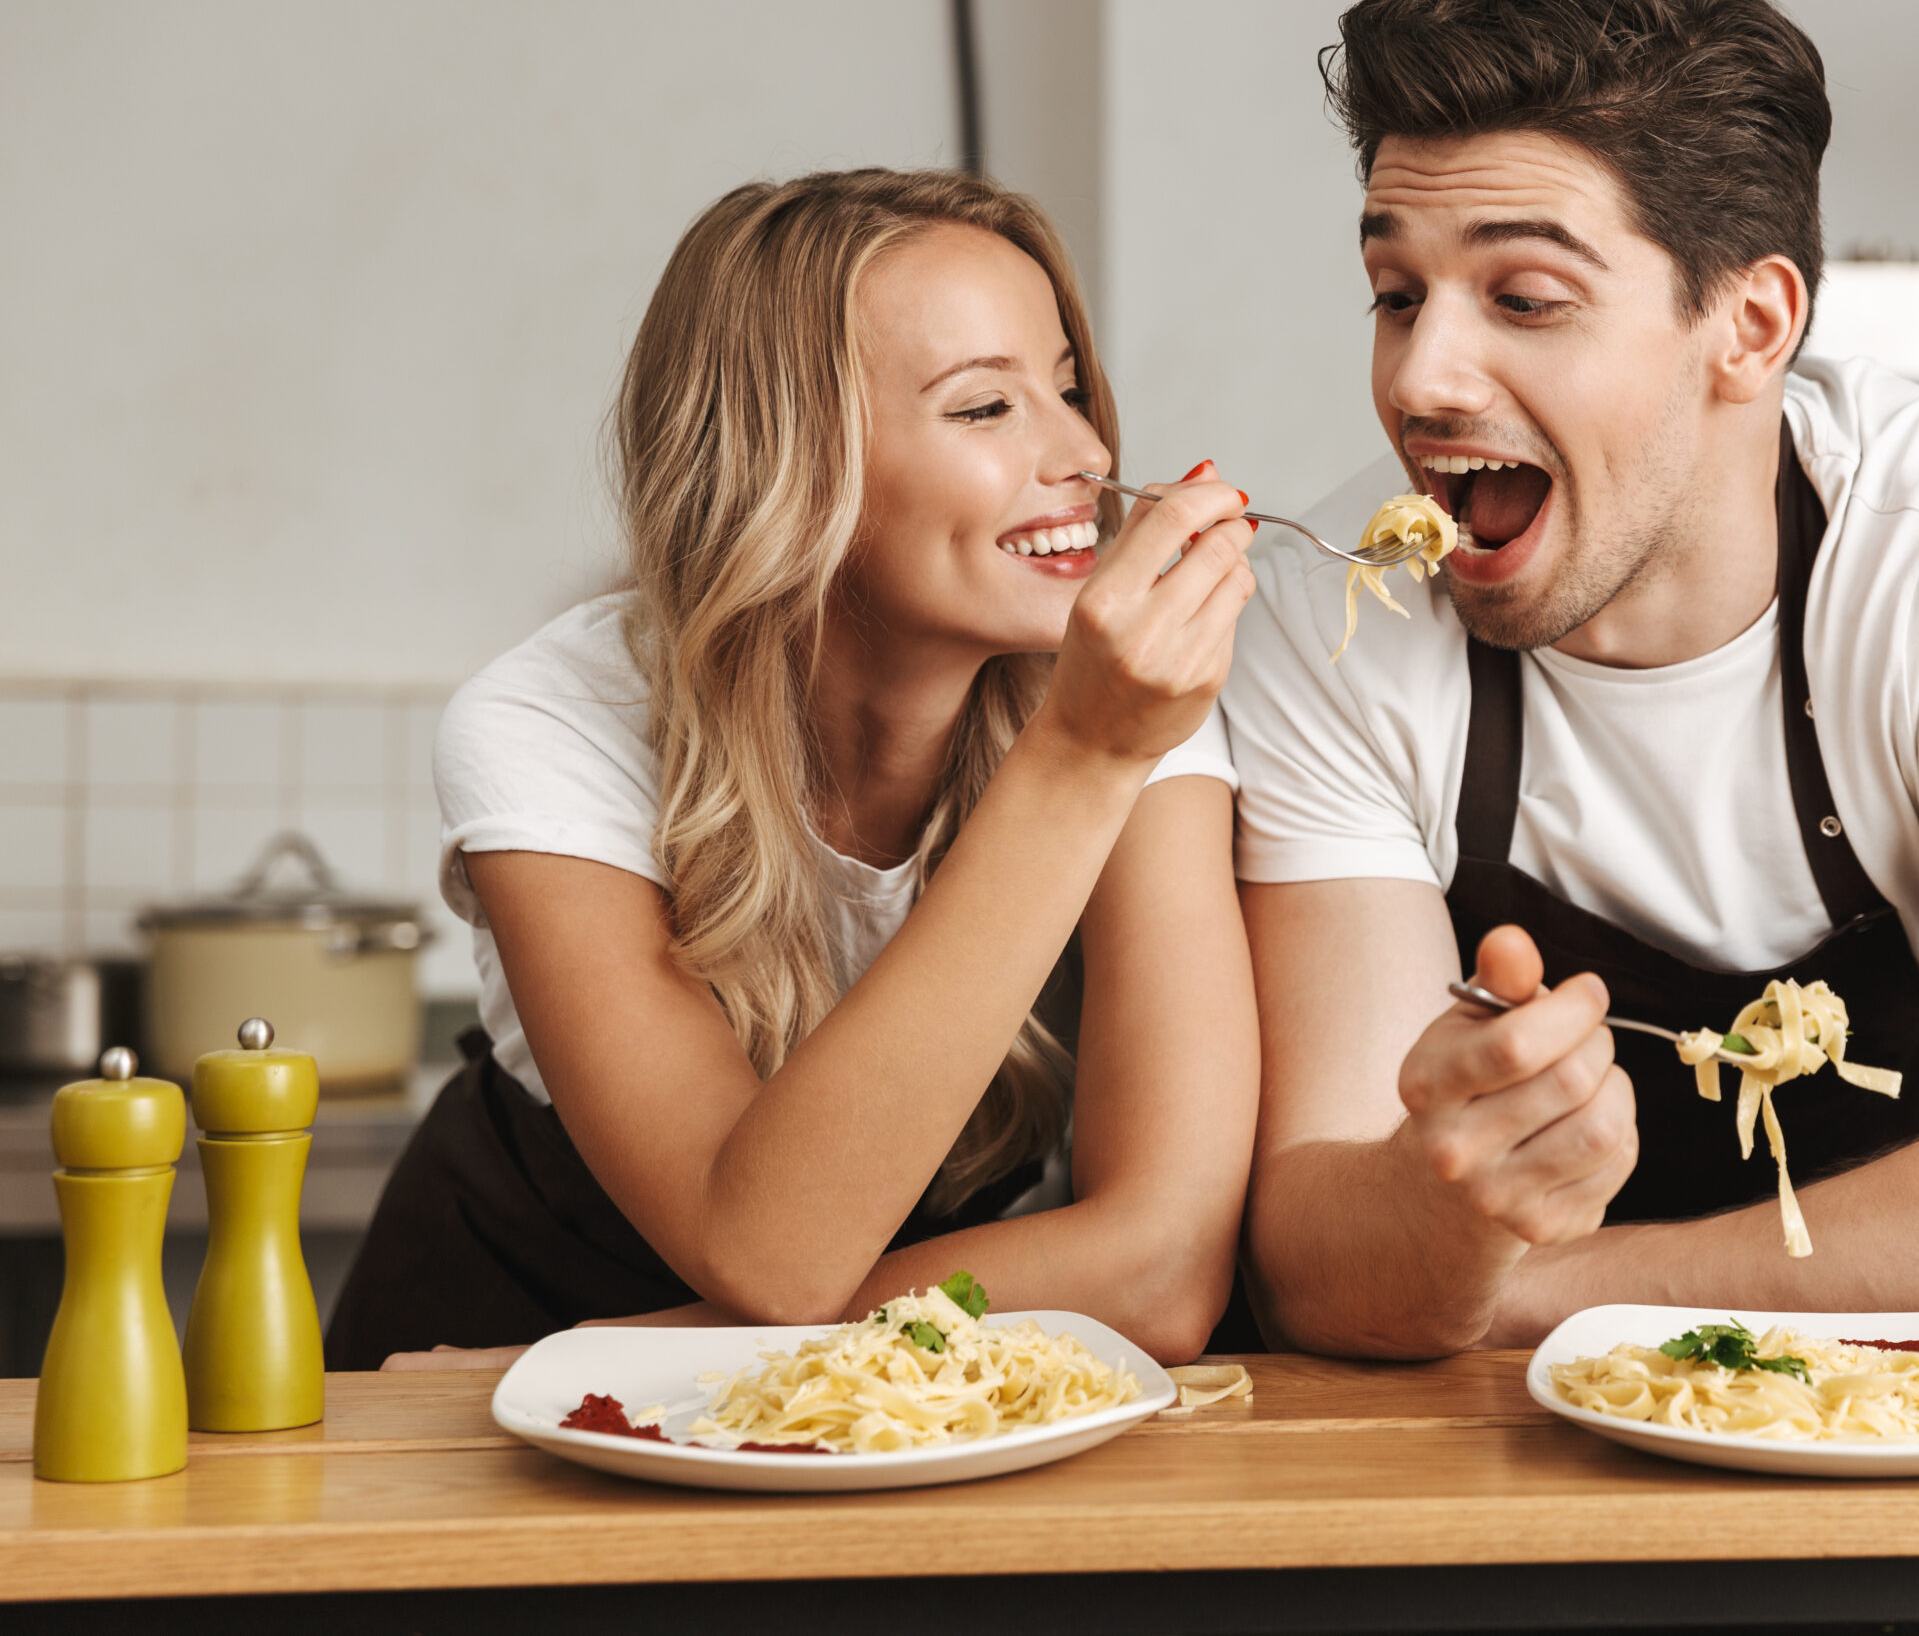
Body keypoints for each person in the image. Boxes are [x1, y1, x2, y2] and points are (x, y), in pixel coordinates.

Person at [1225, 0, 1919, 1358]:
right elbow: (1315, 1255)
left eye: (1524, 299)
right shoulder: (1330, 612)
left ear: (1747, 326)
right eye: (1396, 292)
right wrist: (1450, 1208)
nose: (1420, 378)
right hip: (1510, 1513)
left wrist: (1508, 1285)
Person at [325, 169, 1260, 1371]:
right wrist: (1085, 757)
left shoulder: (1129, 705)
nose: (1085, 453)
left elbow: (1162, 1269)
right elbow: (769, 1250)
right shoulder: (553, 718)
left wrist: (628, 1353)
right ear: (787, 464)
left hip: (702, 1371)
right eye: (985, 410)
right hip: (495, 1371)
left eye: (1070, 391)